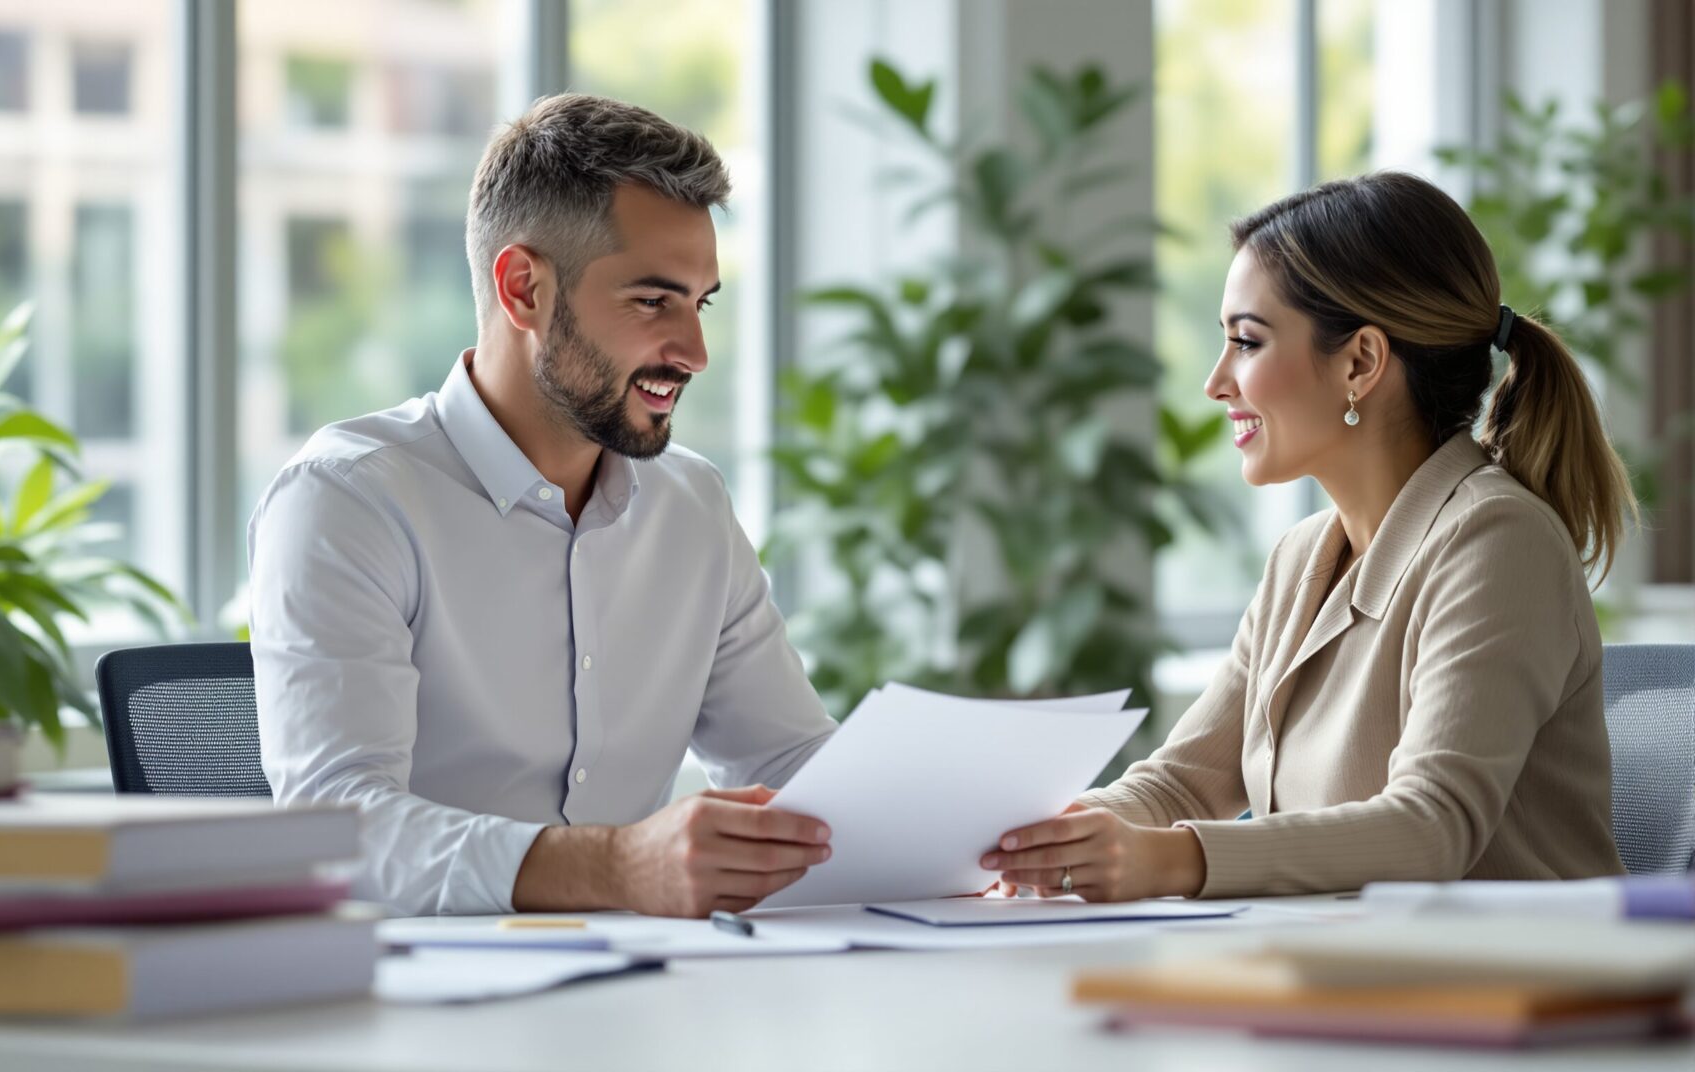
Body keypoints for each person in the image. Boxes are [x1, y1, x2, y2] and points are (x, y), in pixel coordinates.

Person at [250, 94, 835, 918]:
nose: (694, 353)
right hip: (420, 990)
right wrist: (617, 867)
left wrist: (999, 833)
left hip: (652, 981)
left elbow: (794, 768)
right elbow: (339, 829)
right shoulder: (349, 500)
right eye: (652, 302)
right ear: (524, 289)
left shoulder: (691, 506)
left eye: (699, 303)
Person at [981, 172, 1636, 902]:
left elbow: (1431, 827)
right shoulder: (1302, 559)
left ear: (1361, 362)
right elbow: (1179, 785)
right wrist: (1018, 843)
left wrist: (1168, 860)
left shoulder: (1498, 541)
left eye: (1246, 342)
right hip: (1340, 960)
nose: (1216, 382)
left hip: (1516, 970)